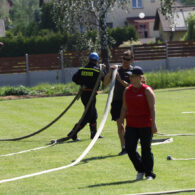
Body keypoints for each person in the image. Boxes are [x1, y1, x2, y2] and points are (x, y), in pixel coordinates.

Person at [119, 66, 157, 180]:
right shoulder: (127, 90)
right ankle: (140, 169)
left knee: (146, 150)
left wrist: (154, 124)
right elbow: (124, 107)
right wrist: (121, 121)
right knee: (129, 148)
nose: (131, 78)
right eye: (130, 76)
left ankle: (149, 173)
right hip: (131, 124)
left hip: (145, 124)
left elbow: (152, 108)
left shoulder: (147, 90)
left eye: (133, 76)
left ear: (140, 77)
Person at [66, 52, 105, 141]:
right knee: (88, 116)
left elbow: (74, 79)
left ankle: (94, 134)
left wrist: (83, 83)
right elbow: (105, 80)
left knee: (93, 114)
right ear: (97, 61)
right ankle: (73, 133)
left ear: (89, 59)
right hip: (91, 95)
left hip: (84, 94)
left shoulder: (82, 69)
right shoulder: (98, 70)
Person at [104, 50, 133, 155]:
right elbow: (105, 83)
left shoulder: (133, 72)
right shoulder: (117, 70)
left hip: (130, 102)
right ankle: (124, 147)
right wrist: (110, 73)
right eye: (123, 59)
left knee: (131, 126)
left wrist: (120, 80)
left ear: (132, 60)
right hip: (117, 101)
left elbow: (132, 86)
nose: (125, 61)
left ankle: (131, 145)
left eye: (127, 59)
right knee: (120, 125)